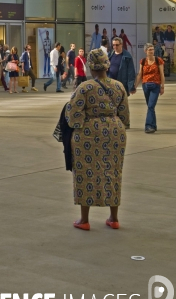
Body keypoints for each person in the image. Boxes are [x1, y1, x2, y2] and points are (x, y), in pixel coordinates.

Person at [65, 49, 129, 231]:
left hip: (88, 133)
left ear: (91, 67)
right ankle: (113, 218)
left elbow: (73, 114)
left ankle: (84, 220)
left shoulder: (85, 87)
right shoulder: (119, 86)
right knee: (113, 172)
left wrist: (80, 125)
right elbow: (124, 116)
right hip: (115, 132)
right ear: (107, 66)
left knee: (86, 174)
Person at [134, 43, 165, 134]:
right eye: (149, 50)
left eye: (152, 49)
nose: (151, 51)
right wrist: (135, 87)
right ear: (145, 51)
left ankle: (148, 126)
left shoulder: (158, 60)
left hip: (155, 86)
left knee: (151, 106)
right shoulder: (143, 61)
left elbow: (162, 74)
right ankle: (154, 125)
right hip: (146, 86)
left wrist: (162, 86)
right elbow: (140, 74)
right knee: (150, 106)